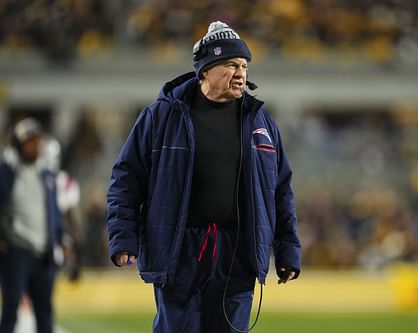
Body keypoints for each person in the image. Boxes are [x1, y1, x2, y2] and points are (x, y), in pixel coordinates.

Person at [107, 21, 301, 333]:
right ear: (206, 71)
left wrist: (287, 250)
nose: (241, 73)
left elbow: (280, 192)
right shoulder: (161, 117)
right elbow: (126, 181)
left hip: (237, 254)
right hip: (179, 252)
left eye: (244, 65)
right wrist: (123, 237)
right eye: (230, 65)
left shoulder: (261, 122)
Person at [0, 118, 63, 333]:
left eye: (38, 142)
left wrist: (60, 238)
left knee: (45, 311)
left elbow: (54, 211)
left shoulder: (46, 173)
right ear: (18, 144)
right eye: (30, 142)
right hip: (16, 250)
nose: (36, 146)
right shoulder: (6, 171)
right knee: (11, 307)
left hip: (43, 251)